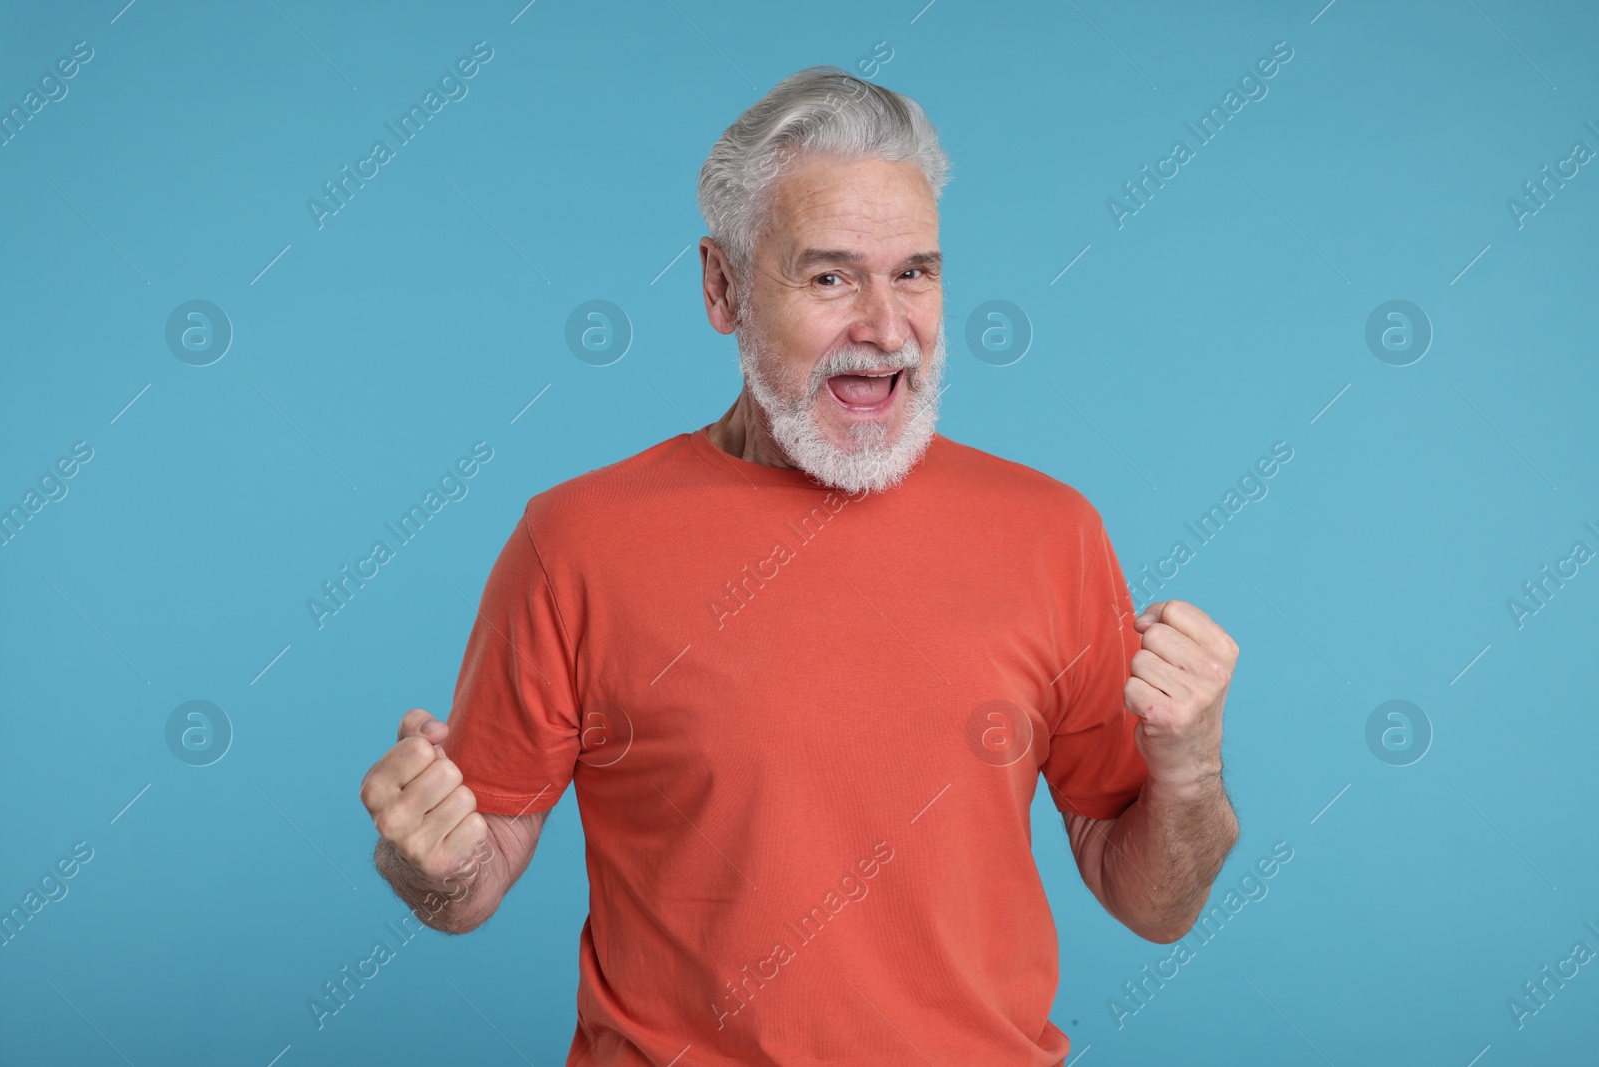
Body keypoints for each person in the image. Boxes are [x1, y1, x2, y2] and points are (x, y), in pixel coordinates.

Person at [359, 64, 1241, 1066]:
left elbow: (1151, 904)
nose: (883, 324)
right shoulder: (574, 542)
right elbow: (468, 886)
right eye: (829, 277)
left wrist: (1190, 772)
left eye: (913, 271)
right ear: (721, 287)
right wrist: (419, 856)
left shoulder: (1052, 532)